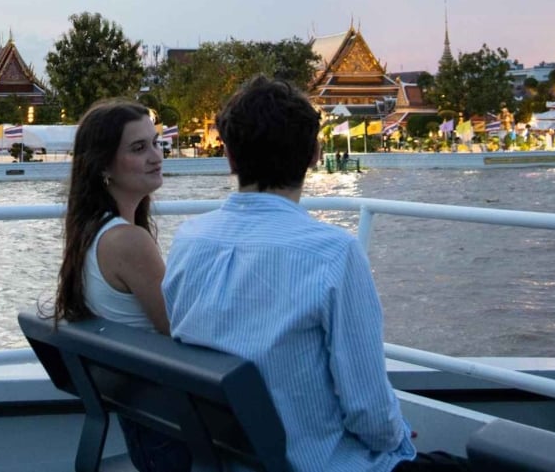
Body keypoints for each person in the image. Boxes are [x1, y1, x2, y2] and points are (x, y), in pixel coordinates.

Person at [163, 75, 466, 472]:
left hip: (226, 457)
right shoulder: (333, 253)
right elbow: (367, 409)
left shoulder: (189, 240)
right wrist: (396, 440)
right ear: (314, 155)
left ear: (231, 157)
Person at [53, 98, 190, 472]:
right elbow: (180, 327)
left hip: (145, 422)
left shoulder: (91, 232)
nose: (156, 156)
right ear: (104, 168)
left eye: (156, 143)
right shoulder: (128, 242)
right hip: (171, 431)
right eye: (138, 148)